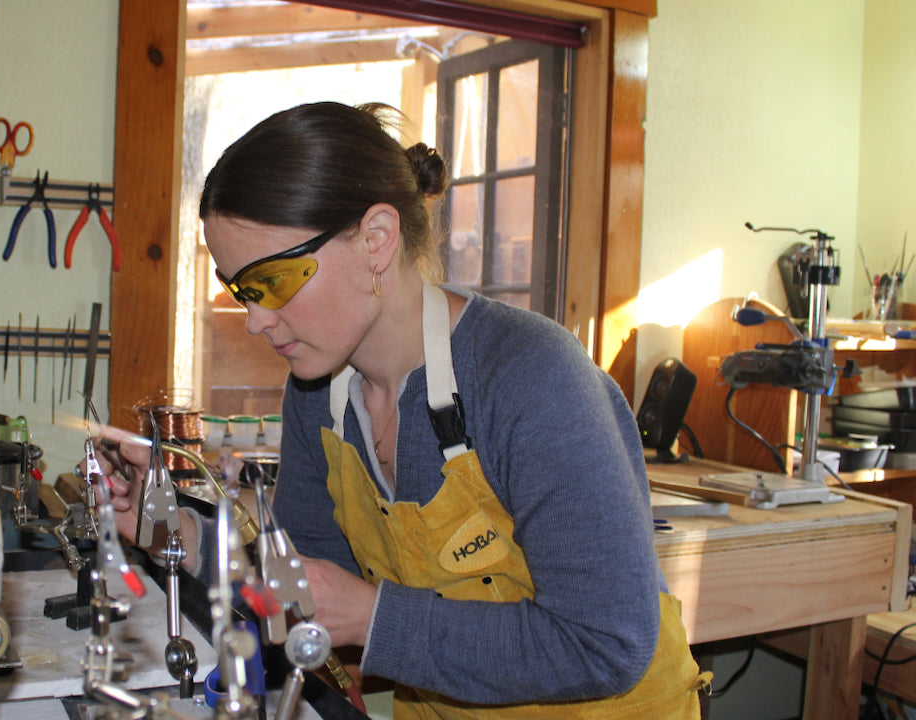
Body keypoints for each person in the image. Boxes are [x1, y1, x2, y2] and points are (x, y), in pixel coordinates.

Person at [97, 101, 710, 718]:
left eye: (273, 282)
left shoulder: (528, 376)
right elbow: (308, 585)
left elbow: (607, 644)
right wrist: (175, 532)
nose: (255, 320)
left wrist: (374, 616)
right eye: (241, 291)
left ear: (376, 240)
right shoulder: (318, 395)